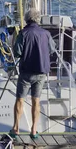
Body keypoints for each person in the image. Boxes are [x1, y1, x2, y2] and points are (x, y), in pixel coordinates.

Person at [11, 8, 56, 139]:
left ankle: (16, 128)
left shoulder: (23, 33)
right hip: (41, 71)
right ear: (38, 19)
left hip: (26, 72)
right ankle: (34, 129)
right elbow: (52, 49)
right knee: (36, 100)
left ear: (26, 19)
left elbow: (18, 52)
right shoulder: (46, 33)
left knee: (20, 99)